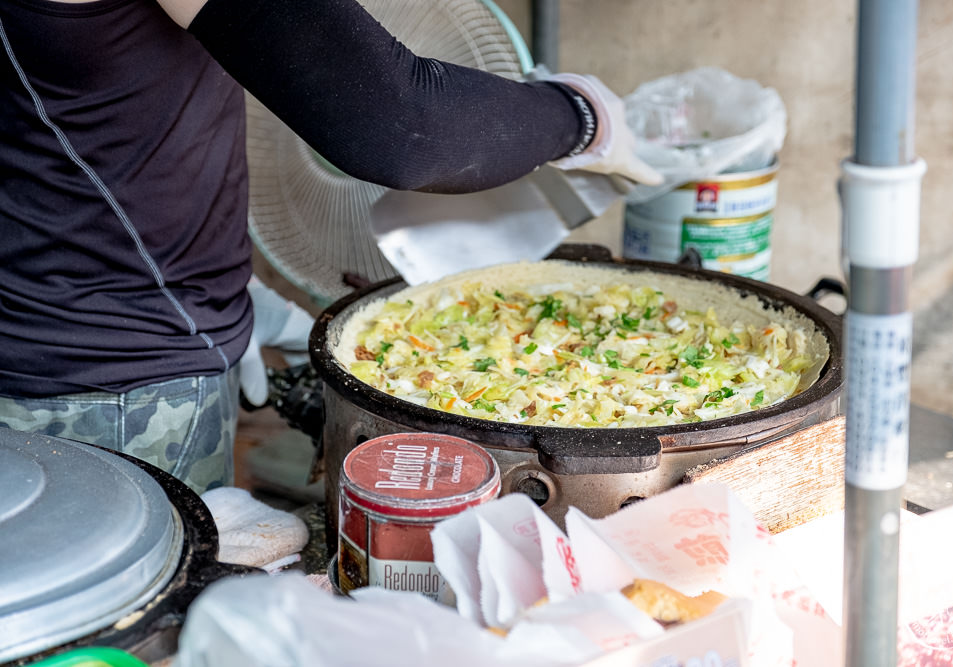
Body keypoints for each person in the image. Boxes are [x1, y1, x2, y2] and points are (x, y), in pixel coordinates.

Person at [0, 0, 660, 494]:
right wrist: (581, 117)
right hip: (108, 396)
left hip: (60, 357)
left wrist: (210, 280)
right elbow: (400, 124)